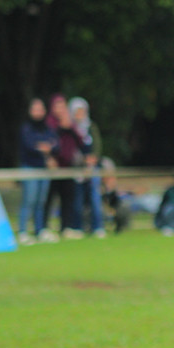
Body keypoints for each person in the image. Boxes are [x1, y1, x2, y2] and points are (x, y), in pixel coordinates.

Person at [44, 94, 88, 239]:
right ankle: (44, 228)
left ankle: (66, 227)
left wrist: (69, 127)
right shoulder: (50, 123)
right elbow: (50, 143)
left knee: (67, 198)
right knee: (49, 198)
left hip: (68, 167)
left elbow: (81, 142)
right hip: (53, 168)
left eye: (62, 106)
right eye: (57, 106)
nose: (60, 109)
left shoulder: (70, 123)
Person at [17, 97, 58, 244]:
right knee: (29, 200)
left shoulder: (47, 128)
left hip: (43, 169)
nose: (38, 112)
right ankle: (23, 231)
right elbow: (30, 146)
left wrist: (45, 147)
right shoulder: (26, 128)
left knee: (41, 202)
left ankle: (40, 230)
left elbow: (55, 144)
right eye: (35, 109)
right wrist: (45, 148)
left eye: (40, 109)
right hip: (30, 167)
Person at [68, 97, 106, 237]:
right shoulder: (70, 128)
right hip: (77, 168)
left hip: (92, 167)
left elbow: (97, 145)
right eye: (77, 112)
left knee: (95, 197)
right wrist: (81, 160)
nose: (80, 114)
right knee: (77, 198)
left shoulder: (91, 126)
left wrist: (93, 158)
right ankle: (77, 227)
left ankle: (98, 226)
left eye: (82, 111)